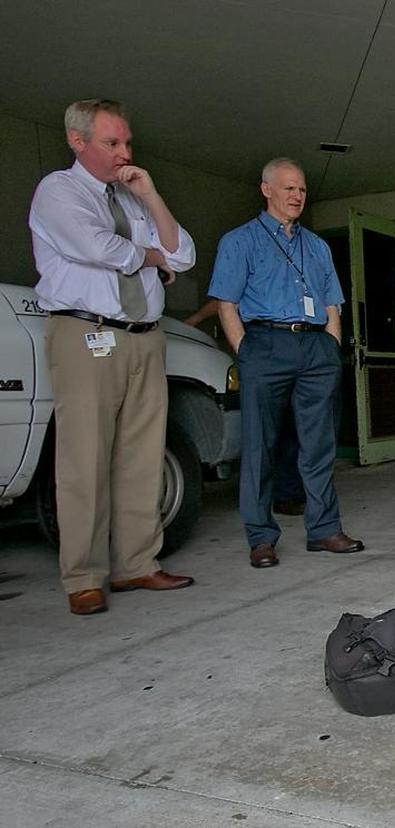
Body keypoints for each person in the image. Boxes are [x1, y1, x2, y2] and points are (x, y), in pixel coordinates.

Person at [28, 98, 196, 614]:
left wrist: (150, 194)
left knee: (142, 456)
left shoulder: (132, 198)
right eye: (112, 142)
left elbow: (183, 254)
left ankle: (137, 565)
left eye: (127, 141)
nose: (125, 152)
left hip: (144, 335)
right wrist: (148, 257)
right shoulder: (59, 190)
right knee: (84, 458)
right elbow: (96, 246)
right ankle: (83, 575)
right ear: (78, 142)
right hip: (87, 335)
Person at [208, 157, 362, 568]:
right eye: (288, 188)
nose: (296, 196)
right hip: (264, 343)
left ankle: (324, 529)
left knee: (319, 444)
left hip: (315, 346)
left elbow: (332, 301)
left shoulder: (317, 245)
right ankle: (261, 537)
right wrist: (247, 353)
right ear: (267, 190)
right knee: (260, 444)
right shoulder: (239, 241)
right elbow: (227, 304)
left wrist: (331, 344)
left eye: (302, 190)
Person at [183, 298, 305, 516]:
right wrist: (195, 319)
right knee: (269, 430)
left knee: (292, 427)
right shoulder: (256, 276)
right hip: (264, 356)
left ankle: (287, 491)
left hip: (295, 352)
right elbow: (226, 301)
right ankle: (275, 494)